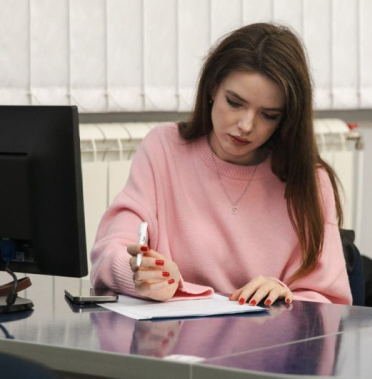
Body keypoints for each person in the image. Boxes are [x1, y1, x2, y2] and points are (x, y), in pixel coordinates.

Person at [90, 23, 352, 306]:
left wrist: (284, 297)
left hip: (267, 334)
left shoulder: (310, 181)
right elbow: (108, 253)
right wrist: (141, 275)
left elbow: (330, 302)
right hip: (171, 333)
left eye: (268, 115)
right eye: (235, 102)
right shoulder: (163, 149)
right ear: (213, 87)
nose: (246, 125)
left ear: (286, 118)